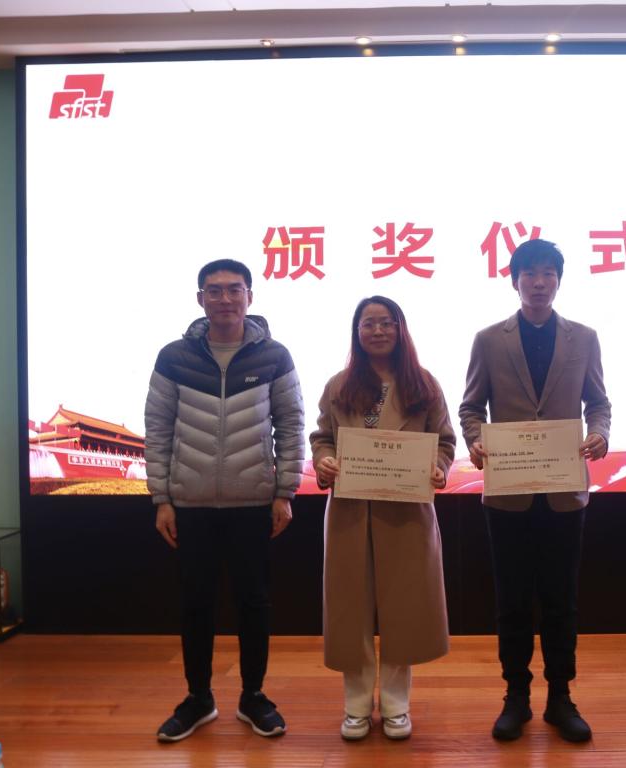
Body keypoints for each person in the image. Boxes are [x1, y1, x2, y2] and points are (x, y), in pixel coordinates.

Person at [145, 259, 304, 742]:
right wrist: (161, 499)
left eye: (235, 290)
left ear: (250, 297)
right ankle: (199, 698)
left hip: (252, 504)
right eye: (214, 291)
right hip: (190, 505)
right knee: (195, 604)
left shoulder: (274, 356)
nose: (225, 299)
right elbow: (157, 429)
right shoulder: (174, 357)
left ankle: (253, 696)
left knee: (254, 603)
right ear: (200, 299)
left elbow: (290, 426)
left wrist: (285, 492)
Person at [458, 239, 611, 743]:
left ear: (559, 281)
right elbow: (471, 408)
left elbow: (599, 403)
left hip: (564, 491)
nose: (539, 282)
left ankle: (561, 697)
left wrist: (600, 434)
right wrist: (476, 441)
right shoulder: (489, 339)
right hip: (509, 492)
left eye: (548, 273)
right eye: (530, 273)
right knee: (512, 600)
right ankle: (516, 696)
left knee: (562, 600)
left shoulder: (584, 337)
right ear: (515, 280)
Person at [310, 295, 454, 742]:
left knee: (403, 609)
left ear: (400, 329)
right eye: (368, 323)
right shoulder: (339, 385)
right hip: (350, 513)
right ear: (357, 332)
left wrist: (439, 468)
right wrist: (324, 461)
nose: (377, 330)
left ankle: (395, 706)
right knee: (350, 611)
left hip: (406, 514)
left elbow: (445, 442)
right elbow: (322, 437)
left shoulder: (424, 384)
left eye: (386, 322)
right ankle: (355, 707)